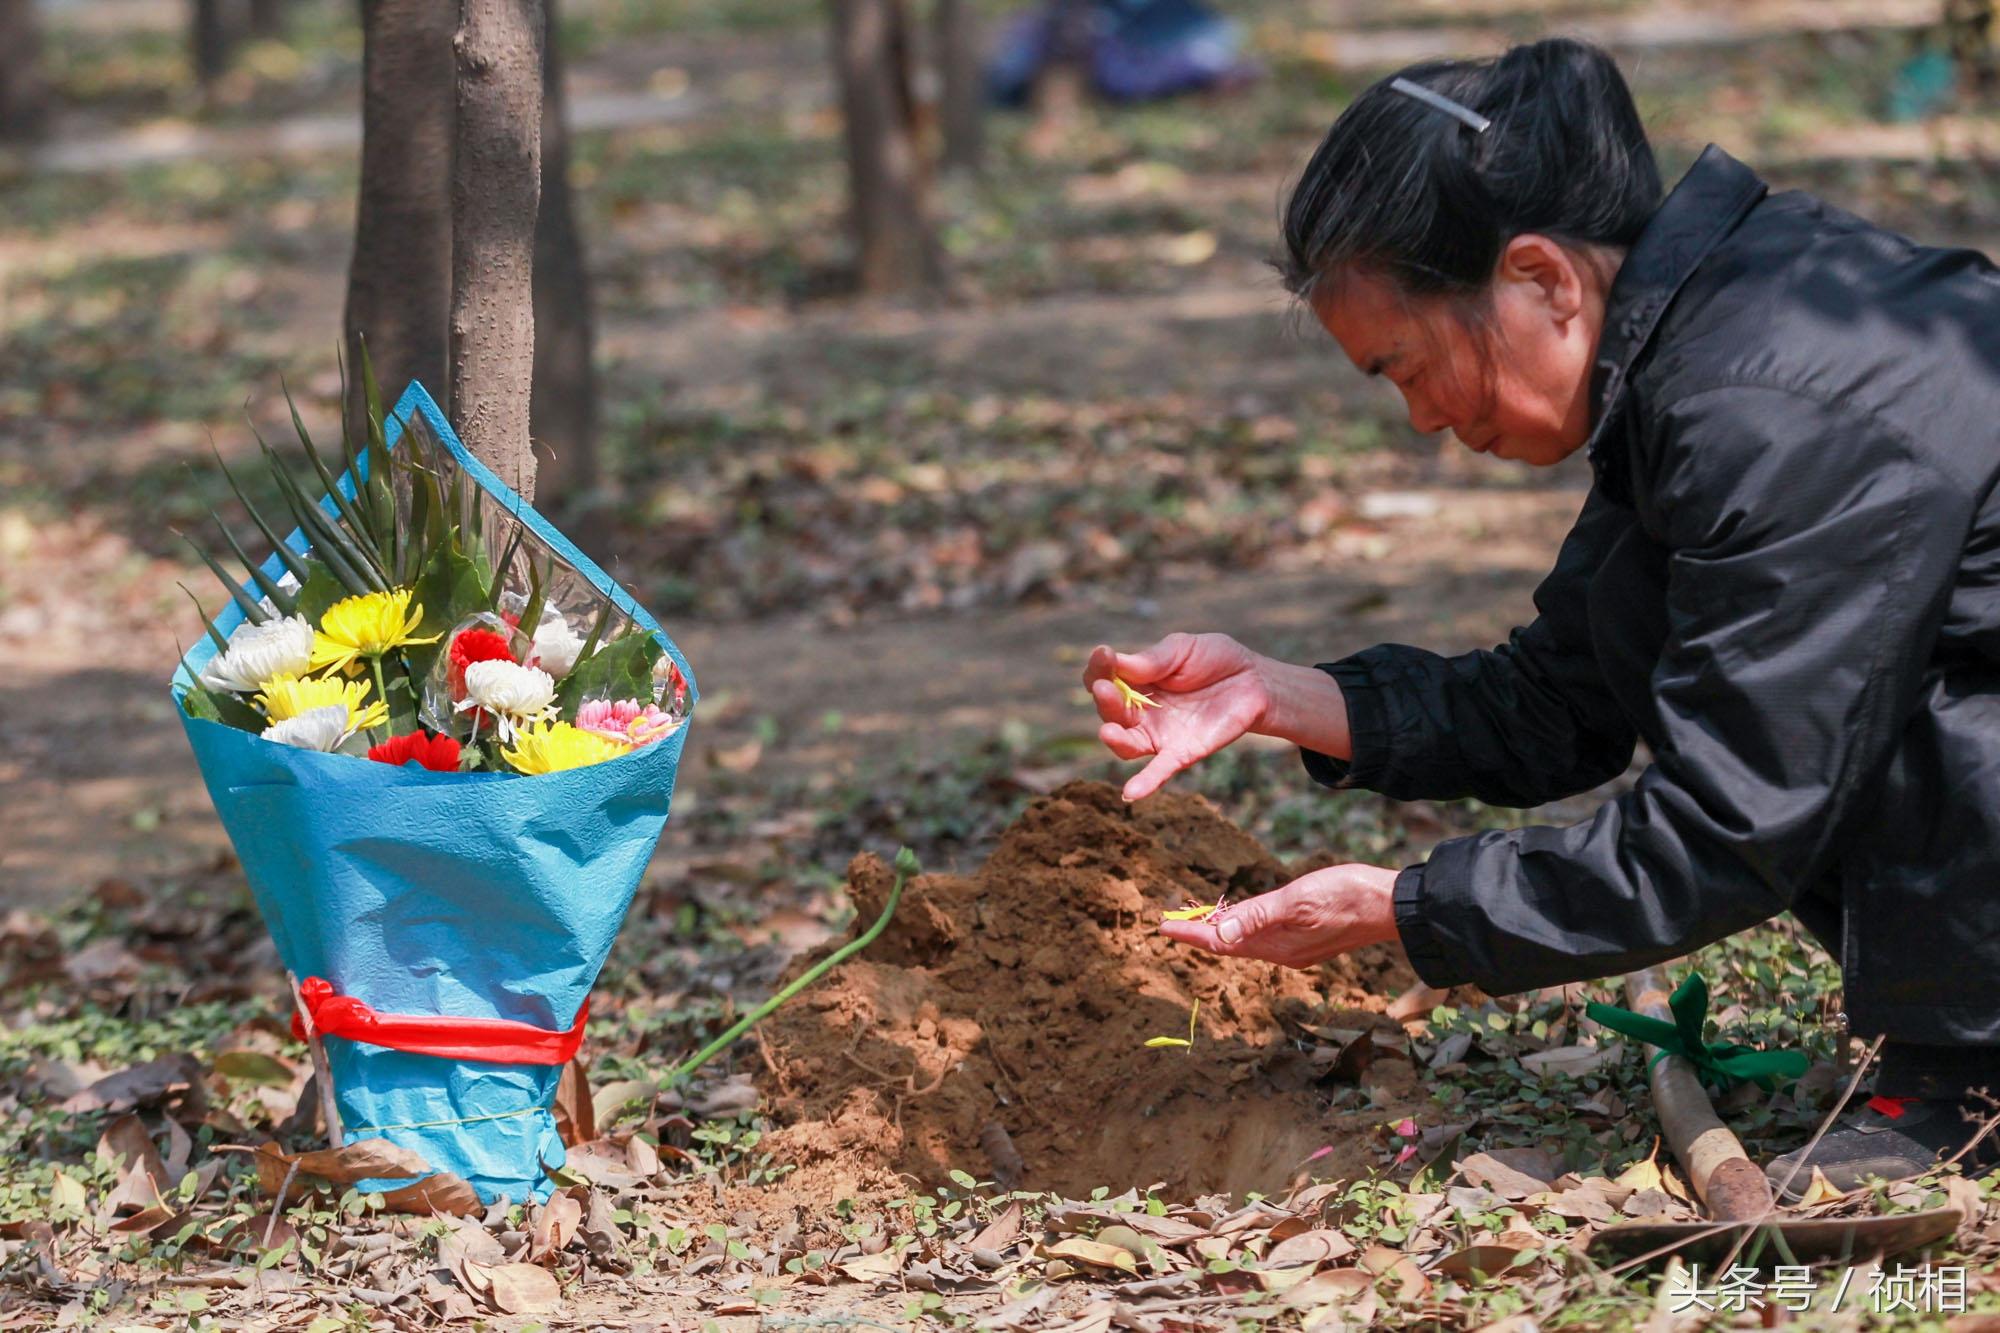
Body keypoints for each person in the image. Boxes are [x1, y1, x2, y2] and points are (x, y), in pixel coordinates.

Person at [1085, 38, 2000, 1198]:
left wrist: (1404, 910)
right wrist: (1276, 695)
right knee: (1674, 626)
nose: (1420, 416)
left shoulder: (1768, 411)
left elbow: (1729, 822)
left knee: (1871, 695)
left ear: (1542, 278)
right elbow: (1558, 700)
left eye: (1407, 365)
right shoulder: (1705, 347)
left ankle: (1970, 1074)